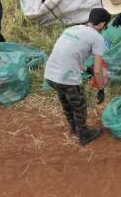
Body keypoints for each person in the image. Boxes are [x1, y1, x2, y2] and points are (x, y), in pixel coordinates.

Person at [44, 8, 110, 146]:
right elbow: (98, 70)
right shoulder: (97, 38)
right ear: (103, 24)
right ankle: (84, 134)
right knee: (79, 105)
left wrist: (86, 69)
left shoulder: (72, 29)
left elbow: (68, 54)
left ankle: (73, 127)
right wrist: (101, 88)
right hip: (66, 79)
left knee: (66, 101)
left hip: (50, 74)